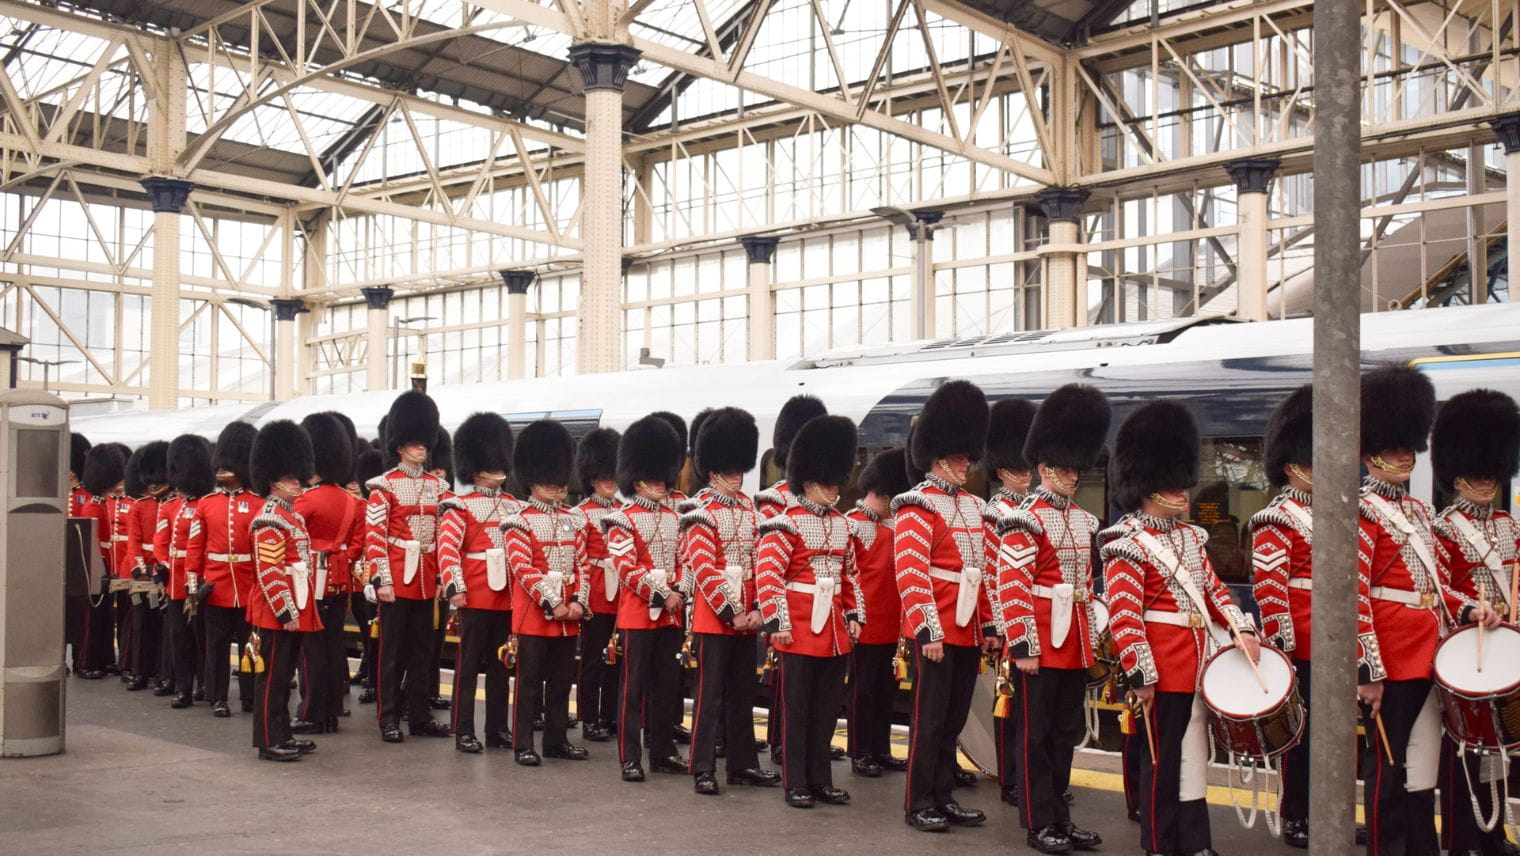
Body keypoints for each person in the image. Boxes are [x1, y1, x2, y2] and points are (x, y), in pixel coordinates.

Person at [1101, 400, 1260, 856]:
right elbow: (1126, 616)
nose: (1183, 493)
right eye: (1172, 485)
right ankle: (1158, 842)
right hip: (1163, 664)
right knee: (1161, 759)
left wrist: (1242, 630)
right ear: (1149, 487)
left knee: (1194, 757)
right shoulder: (1125, 544)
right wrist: (1142, 674)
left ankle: (1195, 841)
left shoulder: (1191, 537)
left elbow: (1215, 592)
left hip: (1198, 662)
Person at [1356, 367, 1497, 856]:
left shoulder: (1418, 513)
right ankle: (1385, 847)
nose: (1403, 456)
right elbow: (1353, 595)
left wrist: (1470, 610)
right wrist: (1368, 667)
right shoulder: (1360, 511)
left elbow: (1435, 583)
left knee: (1421, 761)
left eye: (1407, 448)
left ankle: (1419, 845)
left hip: (1429, 651)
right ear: (1369, 452)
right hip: (1391, 654)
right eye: (1393, 448)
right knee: (1387, 767)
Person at [994, 384, 1110, 854]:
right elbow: (1012, 583)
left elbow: (1085, 588)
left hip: (1075, 641)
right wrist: (1023, 646)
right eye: (1064, 467)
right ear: (1044, 468)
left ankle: (1060, 815)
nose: (1072, 474)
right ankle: (1037, 820)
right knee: (1034, 735)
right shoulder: (1025, 517)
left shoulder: (1084, 522)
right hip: (1039, 642)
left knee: (1065, 735)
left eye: (1076, 467)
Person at [894, 380, 1000, 832]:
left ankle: (943, 793)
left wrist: (991, 625)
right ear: (938, 457)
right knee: (930, 719)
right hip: (937, 629)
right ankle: (919, 801)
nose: (966, 464)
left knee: (953, 718)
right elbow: (911, 572)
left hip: (968, 629)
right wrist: (927, 629)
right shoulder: (917, 506)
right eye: (959, 458)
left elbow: (987, 571)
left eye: (967, 457)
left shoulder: (977, 507)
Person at [1429, 389, 1520, 856]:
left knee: (1502, 748)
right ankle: (1462, 837)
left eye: (1490, 473)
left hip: (1505, 648)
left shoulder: (1509, 524)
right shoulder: (1444, 528)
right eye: (1474, 475)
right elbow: (1439, 587)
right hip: (1466, 648)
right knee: (1465, 749)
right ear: (1454, 477)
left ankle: (1492, 835)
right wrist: (1473, 608)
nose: (1484, 483)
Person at [757, 414, 864, 809]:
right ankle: (796, 781)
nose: (835, 488)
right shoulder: (784, 524)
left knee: (825, 714)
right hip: (798, 629)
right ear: (809, 480)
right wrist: (778, 623)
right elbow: (769, 576)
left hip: (833, 631)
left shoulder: (842, 525)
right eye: (828, 481)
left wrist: (854, 616)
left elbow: (849, 576)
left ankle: (821, 780)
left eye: (837, 481)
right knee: (797, 713)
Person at [681, 407, 783, 795]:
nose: (738, 476)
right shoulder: (698, 511)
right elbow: (705, 569)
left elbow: (762, 561)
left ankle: (742, 764)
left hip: (747, 619)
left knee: (742, 694)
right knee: (709, 698)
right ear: (713, 472)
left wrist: (757, 610)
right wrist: (733, 612)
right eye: (732, 470)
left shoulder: (749, 509)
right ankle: (702, 767)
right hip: (715, 618)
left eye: (741, 469)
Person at [601, 415, 687, 782]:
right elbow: (625, 567)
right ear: (635, 480)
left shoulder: (677, 516)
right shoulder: (621, 519)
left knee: (668, 688)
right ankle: (630, 756)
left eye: (661, 477)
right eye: (651, 478)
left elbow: (685, 560)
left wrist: (680, 591)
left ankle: (664, 751)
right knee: (632, 690)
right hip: (639, 615)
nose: (659, 483)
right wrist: (663, 592)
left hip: (671, 614)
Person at [500, 419, 592, 766]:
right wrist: (554, 602)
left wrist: (579, 602)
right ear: (533, 479)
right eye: (550, 481)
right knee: (528, 684)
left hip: (568, 615)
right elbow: (524, 570)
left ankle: (556, 739)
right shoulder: (517, 521)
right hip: (535, 616)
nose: (557, 487)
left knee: (560, 682)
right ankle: (523, 742)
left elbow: (582, 565)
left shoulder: (573, 519)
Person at [1249, 384, 1315, 849]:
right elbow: (1271, 591)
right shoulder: (1277, 518)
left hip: (1342, 639)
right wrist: (1285, 647)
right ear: (1294, 466)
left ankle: (1323, 807)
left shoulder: (1341, 512)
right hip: (1304, 642)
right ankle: (1296, 813)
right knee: (1302, 737)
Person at [364, 391, 451, 743]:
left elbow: (446, 537)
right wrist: (382, 579)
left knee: (422, 652)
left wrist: (444, 577)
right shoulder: (382, 487)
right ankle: (388, 717)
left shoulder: (439, 487)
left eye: (423, 444)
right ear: (399, 446)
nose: (421, 450)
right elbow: (375, 537)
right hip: (397, 578)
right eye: (414, 444)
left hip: (427, 579)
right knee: (391, 654)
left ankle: (419, 715)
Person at [438, 412, 519, 754]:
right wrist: (455, 586)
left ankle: (498, 727)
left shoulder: (515, 506)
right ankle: (463, 728)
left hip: (507, 597)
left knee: (503, 663)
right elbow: (448, 548)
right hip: (475, 593)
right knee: (468, 665)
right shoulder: (460, 506)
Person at [756, 394, 829, 763]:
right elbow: (766, 557)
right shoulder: (772, 500)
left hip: (817, 606)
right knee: (785, 680)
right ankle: (781, 742)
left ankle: (798, 745)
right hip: (784, 599)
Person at [246, 419, 322, 762]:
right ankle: (267, 739)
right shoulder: (270, 519)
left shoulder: (292, 517)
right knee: (272, 678)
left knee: (284, 676)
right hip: (278, 610)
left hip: (295, 605)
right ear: (274, 480)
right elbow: (270, 571)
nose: (298, 484)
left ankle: (283, 733)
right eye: (291, 479)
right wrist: (286, 611)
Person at [291, 413, 363, 735]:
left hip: (311, 583)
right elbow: (358, 544)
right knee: (334, 648)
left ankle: (311, 713)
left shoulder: (305, 502)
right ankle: (333, 710)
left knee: (311, 651)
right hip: (340, 583)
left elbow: (291, 540)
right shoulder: (352, 503)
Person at [982, 397, 1036, 806]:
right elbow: (992, 574)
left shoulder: (1035, 509)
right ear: (1003, 472)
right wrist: (1001, 626)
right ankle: (1011, 777)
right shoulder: (993, 513)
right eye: (1020, 469)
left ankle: (1034, 778)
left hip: (1035, 618)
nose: (1028, 475)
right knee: (1010, 704)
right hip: (1010, 620)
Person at [186, 422, 261, 717]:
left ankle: (250, 695)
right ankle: (218, 696)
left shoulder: (256, 503)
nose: (222, 470)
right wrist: (193, 583)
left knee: (250, 643)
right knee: (216, 645)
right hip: (216, 586)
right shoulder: (207, 504)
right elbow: (195, 546)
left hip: (247, 584)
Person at [845, 448, 910, 778]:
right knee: (863, 691)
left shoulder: (895, 525)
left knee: (887, 692)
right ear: (884, 493)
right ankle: (859, 751)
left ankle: (881, 749)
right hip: (866, 624)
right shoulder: (852, 526)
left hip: (892, 626)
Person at [574, 427, 622, 743]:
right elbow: (579, 558)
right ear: (593, 480)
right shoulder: (582, 514)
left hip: (621, 593)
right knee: (591, 659)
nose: (611, 484)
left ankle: (611, 715)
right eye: (605, 479)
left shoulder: (623, 510)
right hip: (595, 591)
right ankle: (589, 718)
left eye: (613, 477)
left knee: (616, 658)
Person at [160, 434, 214, 709]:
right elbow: (162, 541)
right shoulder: (170, 507)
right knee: (179, 636)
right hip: (175, 580)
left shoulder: (208, 504)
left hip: (200, 578)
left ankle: (205, 683)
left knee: (201, 635)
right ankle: (183, 687)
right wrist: (162, 566)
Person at [80, 444, 127, 679]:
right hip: (95, 567)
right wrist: (100, 569)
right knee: (92, 618)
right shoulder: (92, 506)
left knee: (105, 616)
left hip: (105, 565)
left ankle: (104, 658)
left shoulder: (100, 503)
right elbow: (93, 543)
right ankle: (86, 662)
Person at [351, 448, 384, 705]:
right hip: (367, 576)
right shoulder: (362, 506)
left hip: (384, 575)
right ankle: (372, 679)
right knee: (371, 634)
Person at [66, 432, 97, 679]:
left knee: (80, 614)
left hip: (80, 562)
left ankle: (80, 660)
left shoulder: (85, 496)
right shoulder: (56, 493)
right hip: (57, 562)